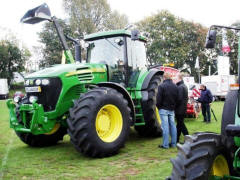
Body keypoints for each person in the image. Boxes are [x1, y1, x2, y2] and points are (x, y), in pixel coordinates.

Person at [156, 72, 178, 149]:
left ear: (164, 78)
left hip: (163, 109)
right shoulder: (175, 86)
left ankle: (165, 145)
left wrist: (158, 107)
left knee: (165, 127)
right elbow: (177, 98)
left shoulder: (161, 86)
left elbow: (158, 99)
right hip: (172, 109)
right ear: (170, 77)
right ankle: (174, 144)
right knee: (173, 126)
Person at [175, 73, 189, 143]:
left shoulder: (180, 87)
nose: (174, 79)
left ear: (179, 78)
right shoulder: (183, 86)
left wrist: (174, 105)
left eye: (175, 78)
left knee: (181, 124)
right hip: (182, 109)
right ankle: (176, 139)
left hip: (179, 109)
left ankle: (188, 138)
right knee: (179, 125)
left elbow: (179, 99)